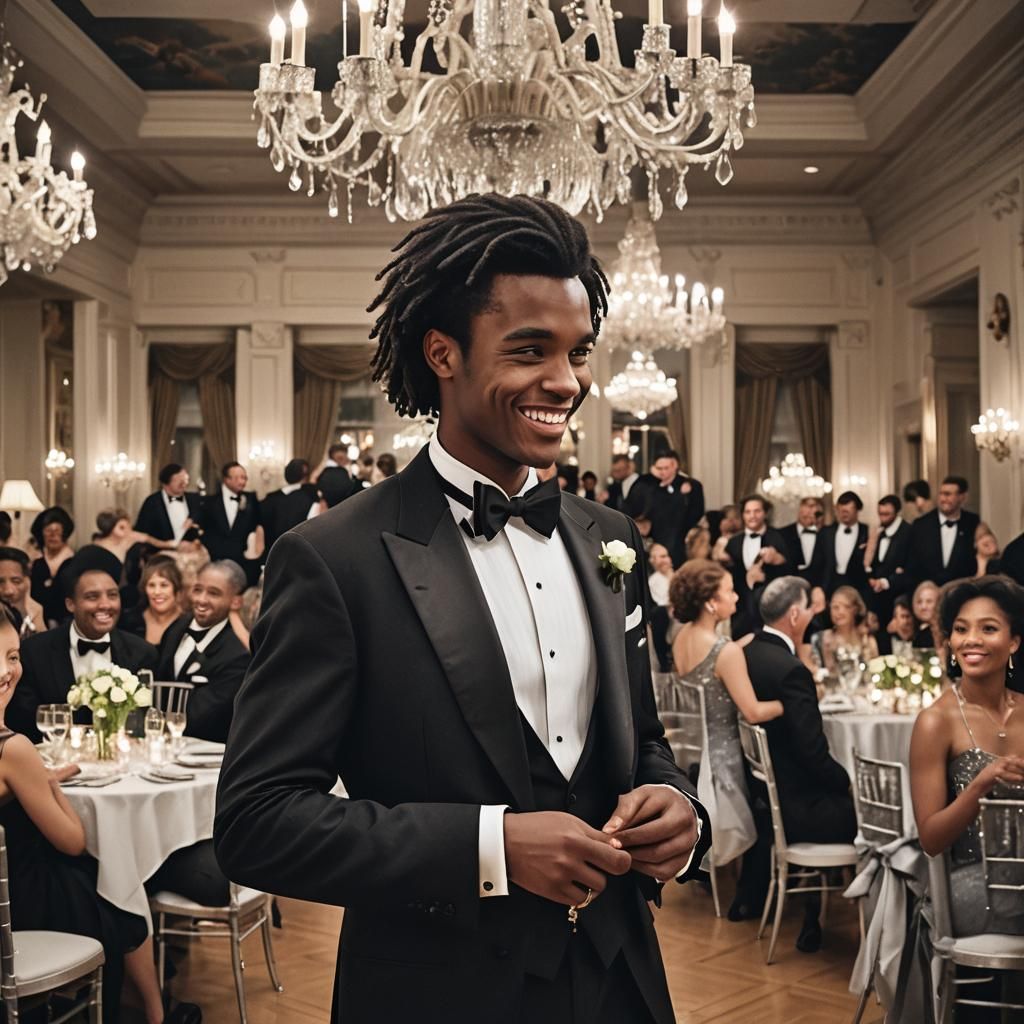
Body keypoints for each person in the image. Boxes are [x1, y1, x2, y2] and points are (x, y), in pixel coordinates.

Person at [215, 193, 710, 1024]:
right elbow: (260, 823)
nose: (568, 382)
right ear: (441, 352)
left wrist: (677, 807)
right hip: (436, 989)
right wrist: (491, 850)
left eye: (579, 352)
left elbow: (643, 740)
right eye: (530, 350)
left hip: (623, 977)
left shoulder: (608, 537)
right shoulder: (334, 558)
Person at [0, 606, 198, 1024]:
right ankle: (154, 1014)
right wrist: (47, 780)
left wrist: (39, 773)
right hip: (23, 899)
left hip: (11, 891)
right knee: (121, 885)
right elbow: (71, 840)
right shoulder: (13, 749)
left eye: (14, 656)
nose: (7, 670)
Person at [909, 577, 1024, 1013]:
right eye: (961, 628)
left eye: (988, 629)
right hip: (972, 884)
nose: (970, 640)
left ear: (1014, 641)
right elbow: (931, 839)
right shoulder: (936, 721)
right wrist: (981, 785)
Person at [734, 577, 856, 950]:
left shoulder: (749, 652)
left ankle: (815, 912)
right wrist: (848, 783)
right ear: (795, 614)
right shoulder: (791, 671)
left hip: (769, 801)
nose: (815, 613)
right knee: (886, 821)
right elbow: (813, 755)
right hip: (800, 809)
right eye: (810, 607)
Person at [670, 560, 784, 873]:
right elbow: (753, 711)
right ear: (711, 602)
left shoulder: (681, 637)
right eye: (730, 591)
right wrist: (795, 701)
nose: (736, 597)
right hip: (726, 762)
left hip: (692, 757)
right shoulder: (725, 652)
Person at [8, 549, 158, 741]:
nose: (105, 605)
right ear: (71, 604)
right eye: (92, 597)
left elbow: (143, 724)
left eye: (112, 595)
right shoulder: (34, 653)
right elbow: (25, 725)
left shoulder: (142, 653)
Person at [155, 561, 251, 743]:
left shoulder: (237, 655)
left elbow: (203, 716)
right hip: (161, 746)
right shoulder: (177, 628)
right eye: (198, 590)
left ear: (235, 601)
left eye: (213, 593)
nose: (201, 599)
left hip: (205, 752)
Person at [627, 451, 705, 568]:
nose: (662, 472)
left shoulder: (690, 485)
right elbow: (634, 505)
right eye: (659, 468)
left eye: (666, 468)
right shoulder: (649, 483)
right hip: (652, 538)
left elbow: (697, 513)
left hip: (679, 538)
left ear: (675, 466)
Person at [724, 495, 788, 638]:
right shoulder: (733, 542)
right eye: (748, 512)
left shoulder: (778, 537)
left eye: (757, 511)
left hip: (770, 607)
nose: (752, 516)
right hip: (740, 609)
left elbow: (789, 571)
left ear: (765, 513)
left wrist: (778, 560)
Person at [906, 475, 980, 588]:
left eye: (948, 494)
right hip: (929, 595)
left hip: (961, 593)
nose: (943, 499)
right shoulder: (921, 525)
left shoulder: (972, 522)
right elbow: (912, 566)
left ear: (963, 497)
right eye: (941, 494)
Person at [197, 461, 262, 586]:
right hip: (216, 561)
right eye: (238, 478)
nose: (242, 481)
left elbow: (258, 526)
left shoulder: (251, 500)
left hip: (244, 561)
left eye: (244, 478)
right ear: (226, 479)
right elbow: (204, 530)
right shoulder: (209, 502)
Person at [810, 585, 878, 687]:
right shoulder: (818, 639)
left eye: (846, 607)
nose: (839, 612)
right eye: (835, 607)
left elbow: (875, 677)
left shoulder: (868, 641)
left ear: (855, 609)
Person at [866, 494, 911, 634]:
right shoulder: (877, 531)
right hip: (877, 598)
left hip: (898, 597)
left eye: (887, 514)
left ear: (897, 511)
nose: (882, 517)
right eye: (880, 514)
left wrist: (887, 581)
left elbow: (909, 567)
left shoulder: (909, 532)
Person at [811, 490, 870, 600]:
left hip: (859, 587)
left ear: (857, 510)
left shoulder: (867, 532)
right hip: (829, 585)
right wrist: (817, 588)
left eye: (848, 511)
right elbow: (816, 563)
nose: (844, 513)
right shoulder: (825, 533)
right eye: (841, 510)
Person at [119, 557, 184, 647]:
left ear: (176, 588)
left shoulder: (188, 624)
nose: (157, 592)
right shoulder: (128, 621)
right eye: (151, 585)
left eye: (164, 585)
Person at [133, 463, 201, 545]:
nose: (184, 483)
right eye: (179, 481)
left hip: (192, 551)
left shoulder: (194, 499)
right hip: (160, 553)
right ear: (165, 484)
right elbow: (141, 532)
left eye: (185, 480)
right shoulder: (152, 502)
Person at [260, 458, 319, 552]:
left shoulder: (270, 498)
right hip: (299, 554)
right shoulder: (311, 497)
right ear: (305, 475)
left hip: (272, 553)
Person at [29, 507, 75, 627]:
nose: (52, 536)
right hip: (38, 621)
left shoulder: (72, 562)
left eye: (57, 531)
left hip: (66, 622)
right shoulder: (38, 563)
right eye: (48, 531)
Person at [778, 497, 825, 588]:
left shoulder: (826, 534)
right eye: (806, 508)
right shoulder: (782, 534)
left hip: (818, 590)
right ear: (799, 510)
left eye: (813, 510)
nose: (809, 513)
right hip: (789, 588)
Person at [0, 546, 45, 636]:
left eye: (16, 581)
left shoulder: (36, 610)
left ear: (27, 581)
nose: (8, 591)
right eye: (0, 582)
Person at [647, 543, 674, 673]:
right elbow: (665, 601)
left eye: (666, 556)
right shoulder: (654, 581)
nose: (664, 560)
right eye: (660, 557)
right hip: (668, 621)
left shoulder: (677, 574)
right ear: (652, 561)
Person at [880, 594, 916, 659]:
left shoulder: (922, 639)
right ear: (895, 619)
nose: (905, 622)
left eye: (908, 616)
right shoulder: (884, 642)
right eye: (902, 616)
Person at [911, 580, 942, 650]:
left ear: (939, 603)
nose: (923, 607)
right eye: (919, 602)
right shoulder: (920, 634)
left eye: (929, 601)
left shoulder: (947, 631)